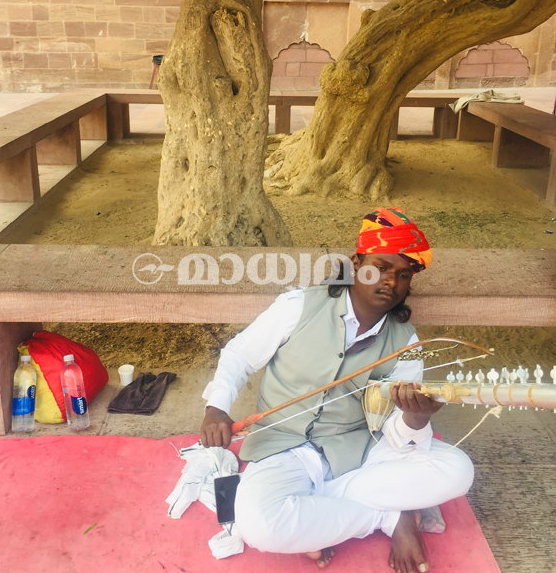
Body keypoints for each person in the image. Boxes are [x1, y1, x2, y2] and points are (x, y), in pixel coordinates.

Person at [200, 207, 474, 573]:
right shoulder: (299, 306)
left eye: (403, 275)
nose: (391, 283)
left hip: (358, 449)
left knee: (458, 471)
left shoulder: (406, 342)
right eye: (380, 267)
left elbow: (393, 432)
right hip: (284, 446)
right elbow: (239, 356)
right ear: (355, 263)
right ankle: (388, 518)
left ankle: (316, 511)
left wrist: (415, 419)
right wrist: (216, 406)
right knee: (257, 524)